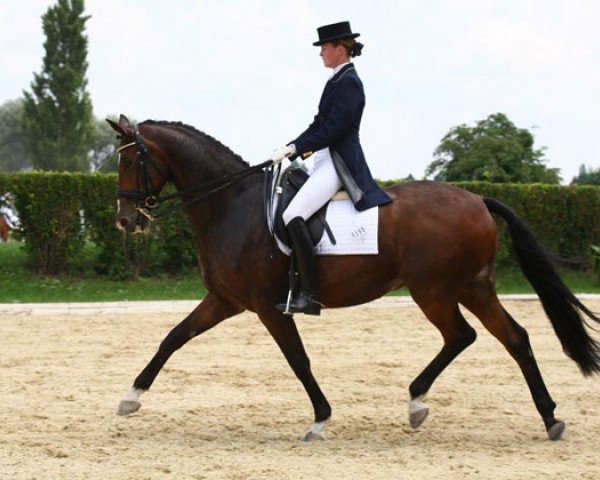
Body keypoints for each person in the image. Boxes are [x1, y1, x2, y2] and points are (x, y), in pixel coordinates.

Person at [271, 21, 392, 316]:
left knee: (292, 215)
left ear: (340, 48)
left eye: (324, 47)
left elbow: (335, 130)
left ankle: (309, 295)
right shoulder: (336, 80)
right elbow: (318, 125)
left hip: (339, 163)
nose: (321, 53)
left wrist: (298, 149)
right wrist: (290, 146)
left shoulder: (350, 82)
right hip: (324, 159)